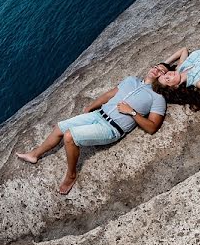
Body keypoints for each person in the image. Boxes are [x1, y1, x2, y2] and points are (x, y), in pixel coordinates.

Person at [16, 62, 173, 195]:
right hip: (98, 115)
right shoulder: (131, 80)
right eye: (156, 66)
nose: (156, 70)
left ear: (163, 77)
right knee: (60, 127)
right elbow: (110, 94)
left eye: (161, 71)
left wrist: (131, 112)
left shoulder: (157, 98)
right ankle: (34, 154)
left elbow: (152, 127)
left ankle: (71, 175)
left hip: (112, 128)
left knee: (70, 137)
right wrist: (91, 107)